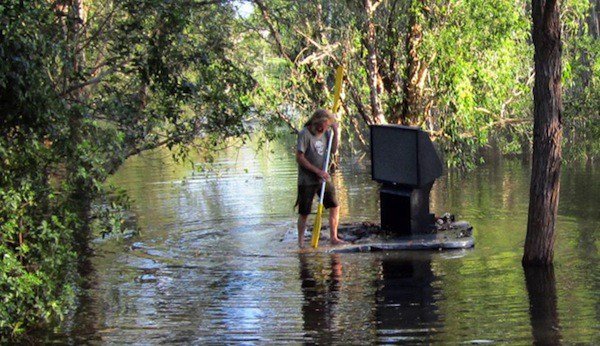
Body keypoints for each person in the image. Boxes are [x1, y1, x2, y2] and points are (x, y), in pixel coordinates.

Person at [295, 109, 345, 248]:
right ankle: (301, 242)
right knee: (304, 212)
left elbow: (333, 151)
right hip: (307, 180)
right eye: (325, 125)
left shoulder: (327, 133)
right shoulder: (304, 134)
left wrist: (335, 133)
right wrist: (317, 171)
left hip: (323, 178)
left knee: (334, 205)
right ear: (317, 121)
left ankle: (333, 237)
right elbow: (299, 158)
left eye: (328, 126)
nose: (325, 128)